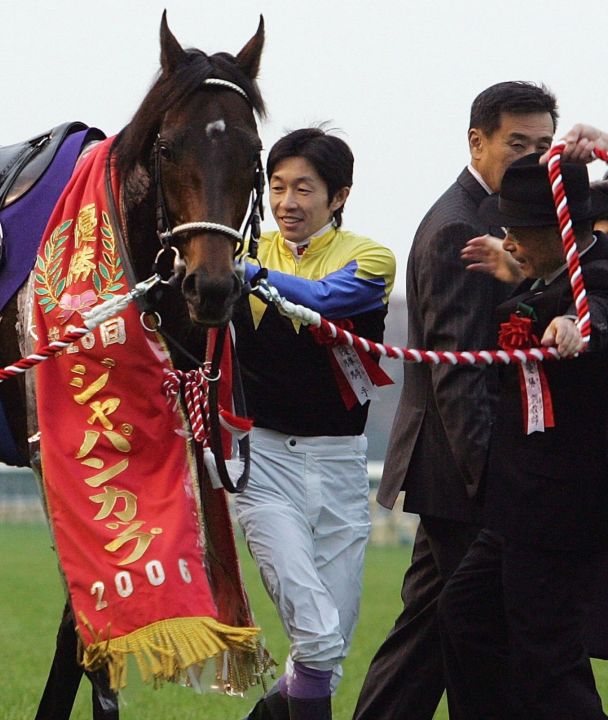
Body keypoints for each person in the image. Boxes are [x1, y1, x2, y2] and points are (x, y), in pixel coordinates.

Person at [355, 81, 557, 720]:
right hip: (463, 474)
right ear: (478, 141)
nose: (532, 160)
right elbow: (457, 371)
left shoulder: (508, 222)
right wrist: (492, 483)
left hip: (457, 475)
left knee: (429, 637)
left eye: (544, 147)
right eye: (517, 144)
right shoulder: (459, 229)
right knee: (493, 635)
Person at [438, 151, 608, 719]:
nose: (507, 241)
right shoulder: (545, 280)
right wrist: (522, 278)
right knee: (464, 614)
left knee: (548, 655)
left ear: (561, 229)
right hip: (516, 505)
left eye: (517, 232)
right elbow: (536, 309)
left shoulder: (596, 278)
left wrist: (579, 325)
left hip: (565, 509)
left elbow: (594, 312)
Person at [235, 128, 396, 720]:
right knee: (319, 636)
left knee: (326, 656)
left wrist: (247, 276)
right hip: (264, 463)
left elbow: (326, 300)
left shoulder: (371, 256)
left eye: (304, 188)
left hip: (339, 467)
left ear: (339, 196)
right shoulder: (244, 247)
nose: (287, 203)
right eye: (276, 187)